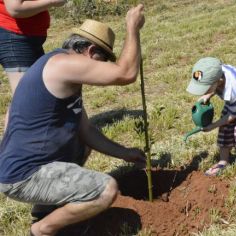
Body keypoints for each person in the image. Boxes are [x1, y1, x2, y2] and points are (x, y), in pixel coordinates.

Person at [0, 4, 146, 236]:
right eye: (103, 58)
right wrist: (132, 28)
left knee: (82, 143)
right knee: (104, 190)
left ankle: (46, 209)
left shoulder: (63, 69)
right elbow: (126, 73)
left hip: (31, 166)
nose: (103, 65)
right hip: (24, 175)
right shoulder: (63, 65)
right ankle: (42, 229)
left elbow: (85, 130)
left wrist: (125, 153)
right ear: (89, 51)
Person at [186, 57, 236, 186]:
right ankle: (223, 161)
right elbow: (216, 86)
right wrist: (208, 95)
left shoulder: (232, 88)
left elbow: (234, 115)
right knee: (225, 130)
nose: (203, 91)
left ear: (219, 81)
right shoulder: (217, 73)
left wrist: (213, 125)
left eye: (206, 88)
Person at [0, 0, 67, 129]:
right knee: (24, 97)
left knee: (27, 95)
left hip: (27, 37)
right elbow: (15, 8)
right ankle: (14, 145)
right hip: (14, 36)